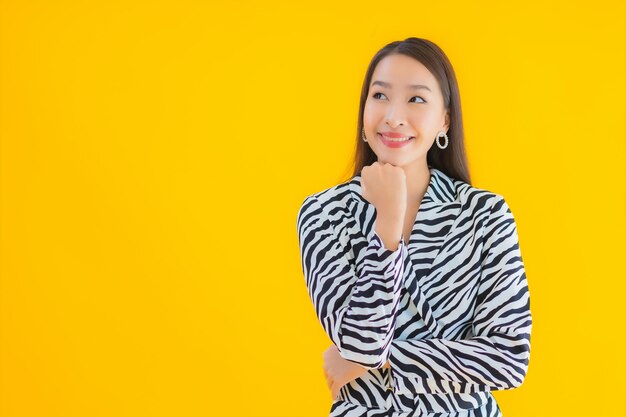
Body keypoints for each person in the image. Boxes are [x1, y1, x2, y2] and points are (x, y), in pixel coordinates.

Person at [296, 37, 532, 417]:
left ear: (445, 119)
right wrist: (388, 225)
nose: (393, 116)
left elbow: (507, 359)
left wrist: (384, 359)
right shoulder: (324, 214)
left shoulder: (485, 214)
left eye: (416, 99)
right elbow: (361, 344)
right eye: (380, 96)